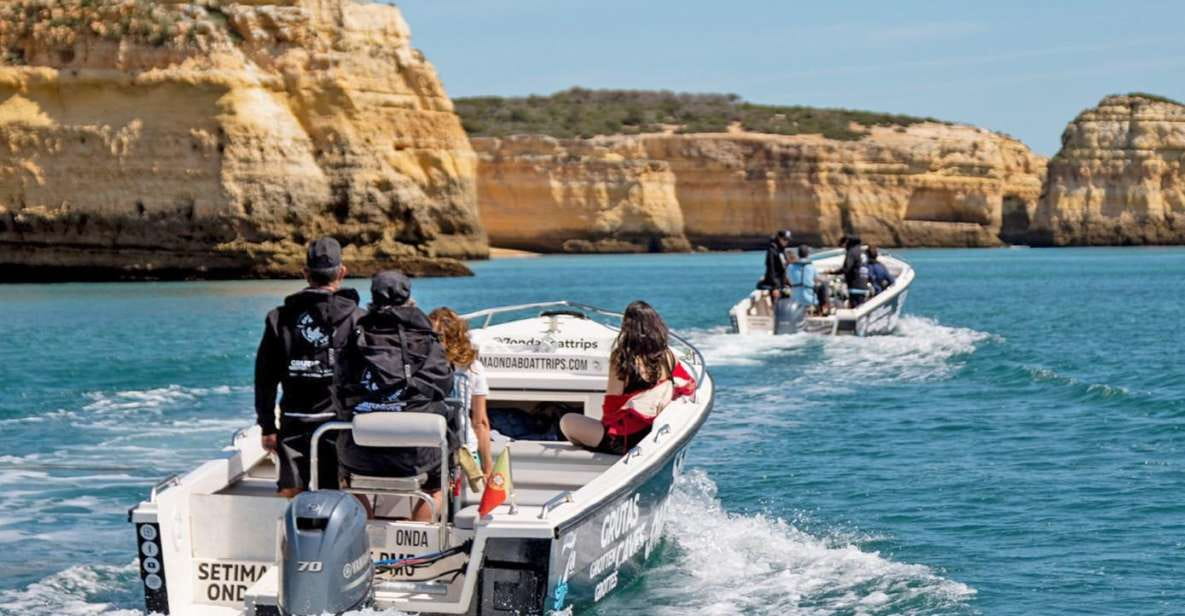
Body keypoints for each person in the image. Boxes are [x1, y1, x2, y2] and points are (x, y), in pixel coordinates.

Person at [334, 271, 456, 521]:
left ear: (373, 297)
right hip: (417, 454)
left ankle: (365, 528)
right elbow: (443, 385)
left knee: (346, 476)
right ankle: (418, 536)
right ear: (408, 297)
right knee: (437, 482)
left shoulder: (354, 339)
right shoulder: (427, 339)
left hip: (359, 454)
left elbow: (339, 390)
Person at [255, 237, 364, 498]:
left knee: (292, 489)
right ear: (342, 272)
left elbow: (265, 378)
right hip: (340, 422)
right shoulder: (357, 318)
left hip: (294, 419)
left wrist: (267, 426)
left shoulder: (279, 318)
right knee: (339, 489)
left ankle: (294, 524)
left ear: (305, 273)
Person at [559, 301, 695, 454]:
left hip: (624, 440)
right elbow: (688, 385)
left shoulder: (622, 357)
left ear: (627, 326)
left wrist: (605, 428)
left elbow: (612, 405)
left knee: (567, 421)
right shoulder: (668, 355)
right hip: (654, 435)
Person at [428, 307, 493, 478]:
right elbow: (480, 422)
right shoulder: (473, 368)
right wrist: (488, 468)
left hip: (429, 447)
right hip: (464, 450)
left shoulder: (421, 366)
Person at [830, 235, 871, 308]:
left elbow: (846, 268)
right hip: (864, 286)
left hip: (854, 287)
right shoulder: (862, 252)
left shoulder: (851, 252)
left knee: (855, 307)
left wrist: (832, 272)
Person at [787, 245, 830, 314]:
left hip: (794, 298)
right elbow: (818, 279)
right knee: (824, 285)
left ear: (798, 254)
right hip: (809, 298)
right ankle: (824, 308)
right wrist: (826, 278)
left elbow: (788, 280)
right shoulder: (811, 267)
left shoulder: (790, 267)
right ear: (808, 254)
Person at [757, 229, 794, 298]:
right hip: (775, 284)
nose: (786, 242)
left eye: (788, 240)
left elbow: (784, 267)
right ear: (779, 238)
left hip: (782, 282)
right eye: (785, 239)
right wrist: (774, 287)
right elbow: (771, 268)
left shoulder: (781, 249)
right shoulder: (772, 250)